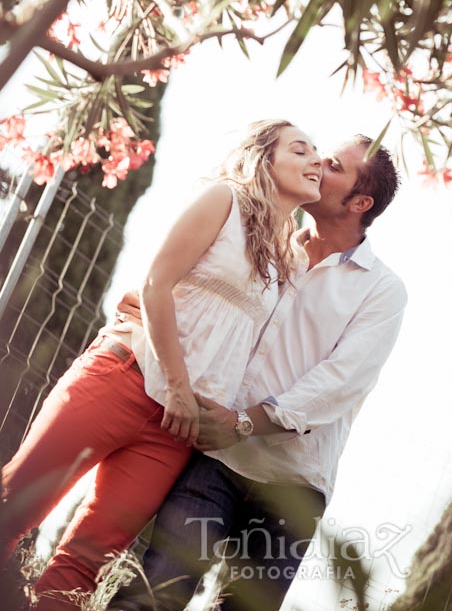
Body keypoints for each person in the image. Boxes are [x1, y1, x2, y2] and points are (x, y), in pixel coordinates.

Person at [1, 120, 322, 611]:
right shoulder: (224, 200)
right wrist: (175, 385)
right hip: (123, 377)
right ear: (264, 157)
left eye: (318, 153)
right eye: (301, 150)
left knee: (84, 564)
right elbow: (155, 283)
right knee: (12, 507)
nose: (316, 160)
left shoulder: (286, 256)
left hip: (175, 431)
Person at [108, 134, 408, 611]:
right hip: (216, 463)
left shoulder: (383, 291)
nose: (314, 164)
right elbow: (209, 302)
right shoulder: (267, 241)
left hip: (294, 488)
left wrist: (245, 423)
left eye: (332, 165)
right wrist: (150, 310)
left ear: (359, 202)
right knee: (154, 593)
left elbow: (341, 380)